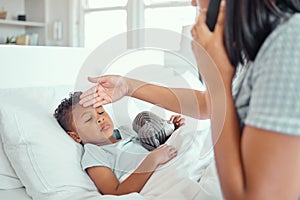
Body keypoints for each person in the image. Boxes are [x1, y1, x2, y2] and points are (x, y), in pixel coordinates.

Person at [79, 0, 300, 199]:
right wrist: (128, 86)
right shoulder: (262, 45)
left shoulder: (287, 44)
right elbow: (207, 105)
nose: (193, 2)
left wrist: (219, 76)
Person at [53, 91, 184, 195]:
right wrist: (152, 160)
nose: (100, 118)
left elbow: (154, 144)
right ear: (75, 136)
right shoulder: (94, 153)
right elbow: (115, 192)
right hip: (152, 182)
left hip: (171, 164)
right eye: (88, 119)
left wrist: (170, 130)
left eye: (100, 111)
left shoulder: (127, 131)